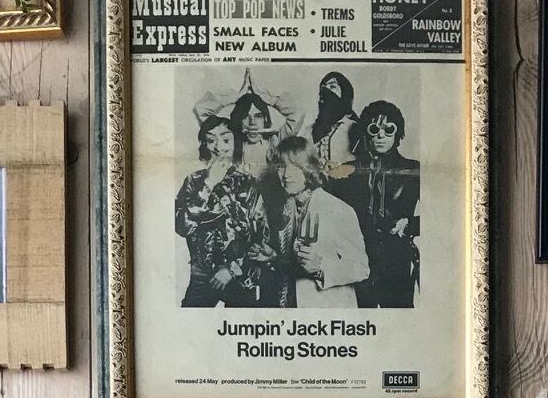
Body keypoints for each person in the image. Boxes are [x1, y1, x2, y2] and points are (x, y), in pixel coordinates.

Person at [173, 114, 270, 306]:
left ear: (235, 143)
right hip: (201, 277)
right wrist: (209, 183)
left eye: (225, 140)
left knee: (242, 323)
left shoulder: (249, 184)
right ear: (204, 145)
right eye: (211, 141)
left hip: (240, 275)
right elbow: (182, 227)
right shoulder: (193, 181)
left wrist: (232, 269)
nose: (218, 147)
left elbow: (261, 235)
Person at [268, 136, 368, 308]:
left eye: (295, 167)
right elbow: (293, 264)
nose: (286, 175)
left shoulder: (337, 209)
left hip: (328, 309)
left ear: (310, 169)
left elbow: (361, 268)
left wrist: (319, 269)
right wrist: (273, 257)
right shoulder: (285, 208)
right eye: (281, 167)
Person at [348, 99, 420, 307]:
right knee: (362, 321)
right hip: (358, 260)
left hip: (397, 262)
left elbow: (442, 215)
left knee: (400, 320)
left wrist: (410, 225)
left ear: (398, 133)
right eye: (374, 129)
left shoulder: (413, 170)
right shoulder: (346, 171)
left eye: (389, 129)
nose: (380, 135)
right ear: (365, 132)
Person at [311, 71, 358, 181]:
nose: (326, 91)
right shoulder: (310, 131)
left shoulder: (355, 127)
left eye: (332, 87)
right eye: (323, 88)